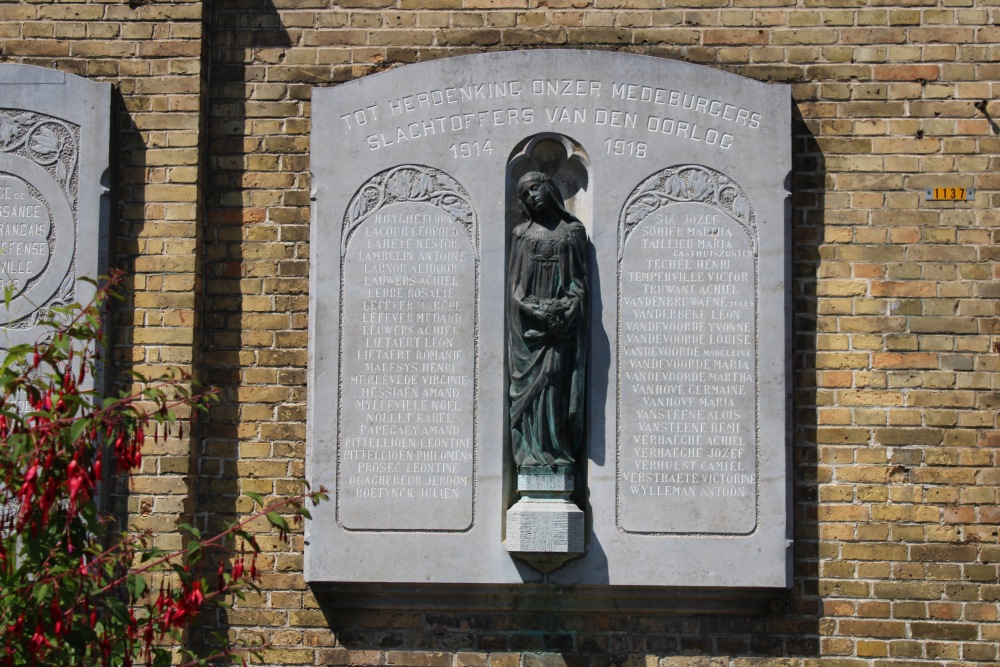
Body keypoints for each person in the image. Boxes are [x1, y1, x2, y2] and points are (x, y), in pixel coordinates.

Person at [507, 171, 588, 473]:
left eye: (535, 189)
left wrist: (565, 316)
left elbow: (579, 287)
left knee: (554, 389)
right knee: (527, 396)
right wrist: (535, 312)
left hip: (560, 330)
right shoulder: (522, 235)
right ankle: (529, 457)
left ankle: (556, 454)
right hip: (530, 332)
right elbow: (514, 292)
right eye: (525, 195)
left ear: (549, 186)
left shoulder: (572, 233)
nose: (532, 196)